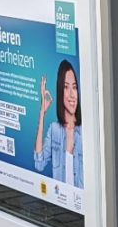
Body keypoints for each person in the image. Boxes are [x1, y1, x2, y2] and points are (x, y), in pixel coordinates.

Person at [34, 58, 83, 188]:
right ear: (60, 91)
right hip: (61, 201)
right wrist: (42, 113)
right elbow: (39, 163)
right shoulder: (54, 130)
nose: (72, 94)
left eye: (75, 87)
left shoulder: (85, 132)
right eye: (66, 87)